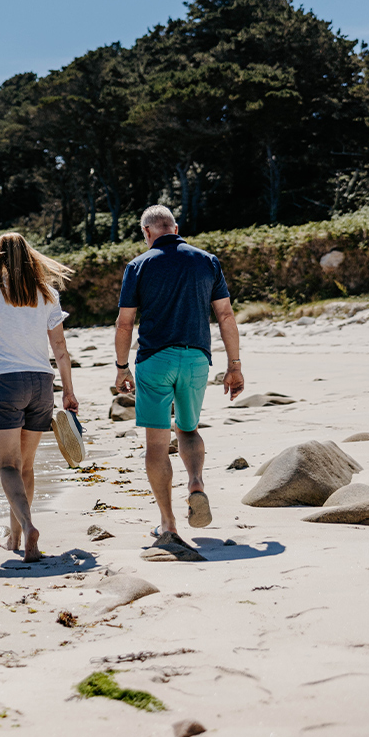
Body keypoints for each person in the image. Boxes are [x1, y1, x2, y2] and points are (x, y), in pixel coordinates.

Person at [113, 205, 244, 536]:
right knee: (188, 429)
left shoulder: (138, 266)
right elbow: (226, 316)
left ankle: (168, 523)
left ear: (147, 232)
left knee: (157, 445)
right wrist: (234, 365)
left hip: (155, 361)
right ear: (175, 227)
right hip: (197, 359)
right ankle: (196, 483)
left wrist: (121, 367)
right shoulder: (207, 261)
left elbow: (125, 322)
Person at [0, 232, 78, 562]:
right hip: (42, 383)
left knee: (7, 465)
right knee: (26, 466)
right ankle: (16, 539)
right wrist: (68, 391)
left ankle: (27, 526)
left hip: (5, 384)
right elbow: (61, 350)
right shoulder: (46, 293)